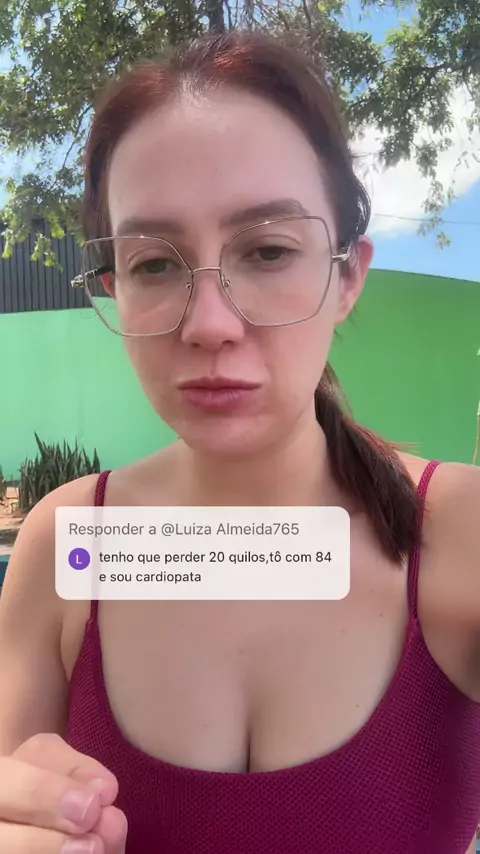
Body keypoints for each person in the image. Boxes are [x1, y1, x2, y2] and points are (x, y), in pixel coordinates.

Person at [0, 29, 479, 854]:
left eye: (267, 250)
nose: (210, 324)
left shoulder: (461, 532)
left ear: (347, 276)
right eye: (155, 265)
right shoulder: (71, 545)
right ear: (114, 288)